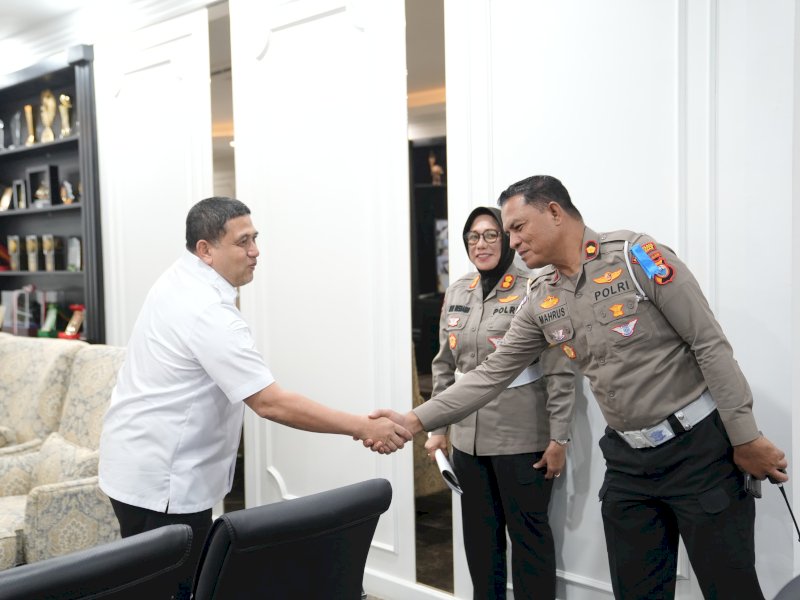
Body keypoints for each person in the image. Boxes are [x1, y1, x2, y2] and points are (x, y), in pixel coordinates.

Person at [372, 175, 788, 600]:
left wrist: (745, 436)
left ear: (554, 211)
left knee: (730, 587)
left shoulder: (637, 256)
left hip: (699, 451)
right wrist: (412, 419)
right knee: (637, 591)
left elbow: (710, 344)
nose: (511, 242)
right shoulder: (541, 296)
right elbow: (491, 373)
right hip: (628, 462)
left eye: (518, 227)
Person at [98, 197, 411, 599]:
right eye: (243, 242)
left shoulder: (183, 277)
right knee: (171, 591)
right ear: (205, 250)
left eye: (255, 238)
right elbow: (270, 403)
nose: (255, 251)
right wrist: (362, 427)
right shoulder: (204, 309)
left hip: (139, 463)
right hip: (163, 481)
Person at [425, 206, 574, 599]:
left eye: (492, 234)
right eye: (473, 237)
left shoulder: (535, 287)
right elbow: (445, 366)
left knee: (529, 541)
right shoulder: (458, 290)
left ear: (507, 239)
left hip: (521, 438)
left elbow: (560, 370)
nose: (482, 244)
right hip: (467, 442)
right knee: (479, 542)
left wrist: (560, 438)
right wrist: (438, 429)